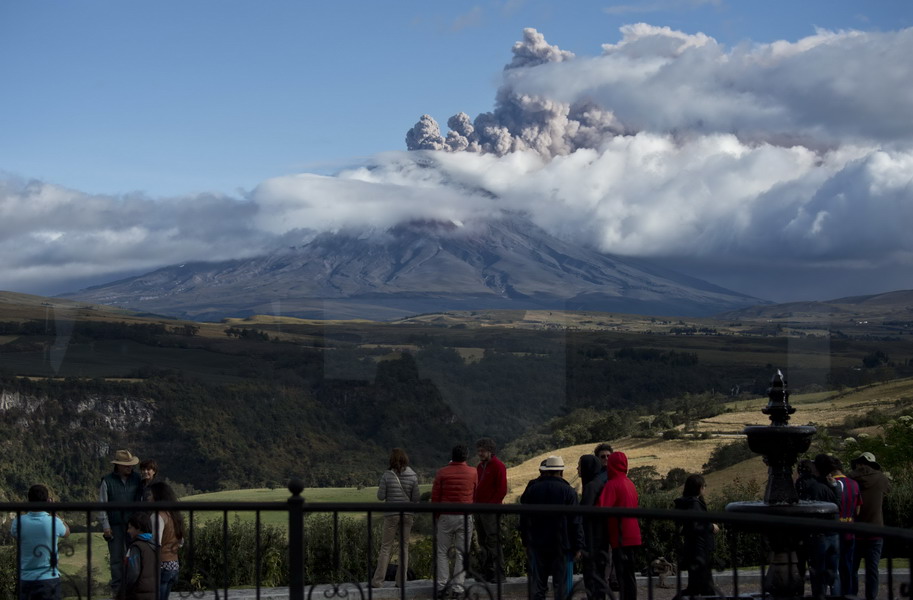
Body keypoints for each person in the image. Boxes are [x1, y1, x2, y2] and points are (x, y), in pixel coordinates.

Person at [520, 456, 585, 600]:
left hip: (537, 544)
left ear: (546, 470)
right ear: (561, 471)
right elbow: (575, 522)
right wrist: (578, 546)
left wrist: (526, 541)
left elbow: (524, 518)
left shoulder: (532, 489)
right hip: (562, 545)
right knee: (562, 587)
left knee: (537, 587)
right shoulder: (569, 491)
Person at [431, 444, 478, 596]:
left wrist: (437, 516)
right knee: (461, 553)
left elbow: (436, 497)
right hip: (465, 516)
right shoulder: (473, 472)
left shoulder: (442, 473)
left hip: (445, 515)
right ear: (466, 457)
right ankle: (458, 588)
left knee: (442, 551)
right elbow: (475, 494)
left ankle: (441, 587)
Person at [371, 448, 420, 589]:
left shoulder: (387, 475)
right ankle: (401, 581)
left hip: (391, 514)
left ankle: (378, 581)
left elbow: (380, 497)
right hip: (407, 514)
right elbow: (416, 498)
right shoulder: (413, 475)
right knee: (404, 547)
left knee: (386, 547)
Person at [11, 484, 70, 600]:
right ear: (47, 501)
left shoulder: (18, 522)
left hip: (26, 578)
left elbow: (15, 536)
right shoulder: (54, 522)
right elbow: (67, 532)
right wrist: (54, 513)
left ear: (29, 500)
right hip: (49, 578)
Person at [99, 449, 145, 593]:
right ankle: (117, 590)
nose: (129, 467)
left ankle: (135, 587)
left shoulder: (137, 479)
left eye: (130, 465)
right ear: (118, 466)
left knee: (136, 556)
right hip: (115, 525)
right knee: (116, 559)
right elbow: (102, 505)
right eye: (126, 465)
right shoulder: (107, 481)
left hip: (134, 525)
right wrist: (106, 526)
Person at [598, 451, 641, 600]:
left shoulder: (612, 484)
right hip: (633, 534)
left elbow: (601, 509)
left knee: (623, 576)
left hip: (621, 536)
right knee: (629, 575)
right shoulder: (629, 483)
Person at [797, 454, 840, 600]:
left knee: (819, 571)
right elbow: (837, 505)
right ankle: (835, 595)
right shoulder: (827, 485)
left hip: (819, 534)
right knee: (833, 572)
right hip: (833, 532)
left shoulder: (809, 486)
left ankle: (819, 596)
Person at [850, 452, 891, 600]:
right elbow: (888, 491)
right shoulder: (881, 479)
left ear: (859, 464)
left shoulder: (851, 479)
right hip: (875, 529)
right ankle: (871, 597)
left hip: (856, 529)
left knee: (851, 568)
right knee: (872, 570)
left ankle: (851, 595)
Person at [672, 474, 721, 599]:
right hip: (699, 550)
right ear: (698, 487)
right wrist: (711, 527)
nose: (705, 488)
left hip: (693, 548)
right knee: (706, 588)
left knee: (694, 588)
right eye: (704, 486)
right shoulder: (694, 504)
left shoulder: (688, 502)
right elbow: (696, 525)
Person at [473, 437, 508, 584]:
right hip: (479, 509)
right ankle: (488, 573)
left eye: (483, 451)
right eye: (479, 450)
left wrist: (490, 505)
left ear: (490, 451)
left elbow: (501, 490)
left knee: (493, 541)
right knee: (482, 542)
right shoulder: (480, 467)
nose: (480, 453)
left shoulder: (498, 466)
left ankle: (499, 574)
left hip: (491, 510)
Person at [578, 454, 610, 600]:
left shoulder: (591, 486)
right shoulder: (599, 482)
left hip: (592, 539)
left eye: (580, 465)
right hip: (600, 537)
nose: (578, 468)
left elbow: (584, 514)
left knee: (592, 575)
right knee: (599, 575)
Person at [147, 482, 185, 600]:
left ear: (157, 497)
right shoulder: (174, 515)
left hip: (162, 564)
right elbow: (181, 542)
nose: (148, 498)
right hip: (174, 564)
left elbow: (155, 543)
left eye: (150, 495)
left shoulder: (157, 516)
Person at [830, 458, 862, 595]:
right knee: (848, 564)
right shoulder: (854, 484)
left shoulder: (831, 484)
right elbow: (858, 509)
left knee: (834, 566)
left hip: (835, 530)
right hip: (850, 527)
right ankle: (849, 593)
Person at [117, 512, 158, 600]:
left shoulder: (136, 547)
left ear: (138, 527)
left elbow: (133, 573)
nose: (128, 531)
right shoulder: (155, 546)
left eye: (130, 528)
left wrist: (123, 591)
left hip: (137, 594)